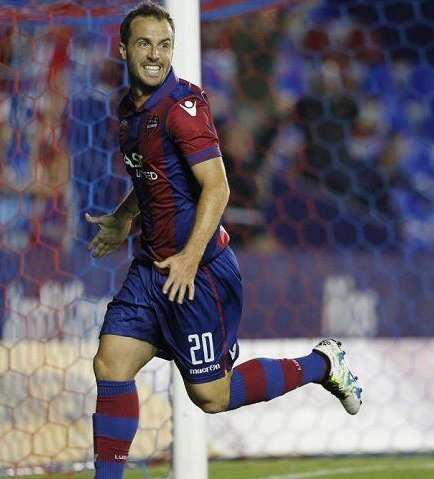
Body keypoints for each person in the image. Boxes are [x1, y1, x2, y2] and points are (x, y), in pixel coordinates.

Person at [84, 4, 363, 477]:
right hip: (153, 269)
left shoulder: (183, 108)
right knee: (110, 365)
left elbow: (217, 187)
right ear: (124, 48)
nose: (155, 54)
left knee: (211, 396)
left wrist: (191, 259)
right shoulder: (129, 110)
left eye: (164, 45)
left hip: (200, 272)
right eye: (145, 44)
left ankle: (322, 364)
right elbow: (153, 178)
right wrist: (122, 218)